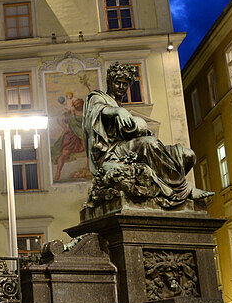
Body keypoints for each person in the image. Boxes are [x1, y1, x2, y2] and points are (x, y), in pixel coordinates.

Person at [84, 63, 213, 208]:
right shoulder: (98, 97)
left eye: (125, 84)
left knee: (187, 155)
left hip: (130, 150)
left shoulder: (122, 108)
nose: (121, 87)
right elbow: (97, 110)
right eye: (117, 82)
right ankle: (184, 190)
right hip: (112, 152)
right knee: (148, 143)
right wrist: (116, 111)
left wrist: (139, 128)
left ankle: (168, 189)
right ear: (109, 82)